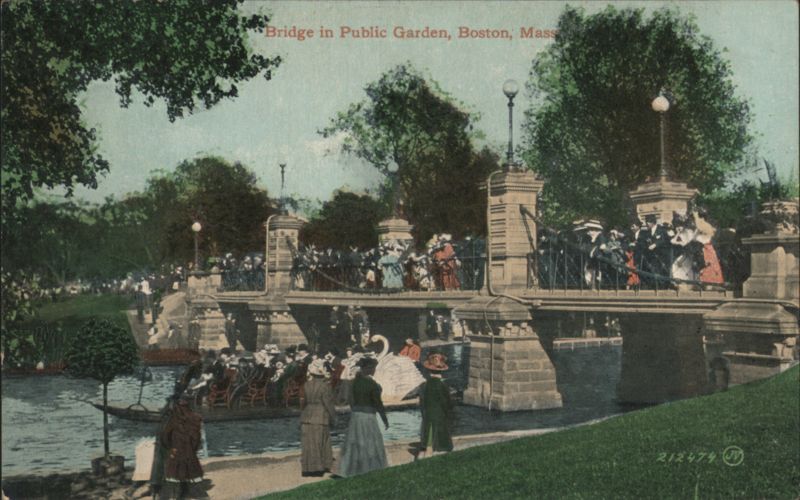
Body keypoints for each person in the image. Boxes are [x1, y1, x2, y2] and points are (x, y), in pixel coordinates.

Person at [337, 357, 389, 477]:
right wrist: (384, 419)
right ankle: (369, 469)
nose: (375, 370)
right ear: (369, 368)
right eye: (374, 368)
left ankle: (354, 469)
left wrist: (355, 409)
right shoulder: (372, 384)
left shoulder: (354, 382)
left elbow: (350, 400)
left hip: (356, 416)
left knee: (355, 444)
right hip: (368, 417)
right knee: (370, 443)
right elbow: (378, 404)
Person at [159, 395, 206, 499]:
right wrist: (192, 449)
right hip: (190, 453)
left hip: (176, 452)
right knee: (192, 474)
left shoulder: (173, 419)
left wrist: (170, 448)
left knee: (175, 475)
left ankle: (176, 495)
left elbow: (164, 436)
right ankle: (198, 494)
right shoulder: (196, 418)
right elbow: (197, 439)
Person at [300, 359, 337, 477]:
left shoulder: (306, 385)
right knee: (322, 441)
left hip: (307, 415)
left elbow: (303, 402)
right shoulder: (325, 386)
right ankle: (322, 466)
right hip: (320, 415)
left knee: (308, 443)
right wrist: (334, 417)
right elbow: (328, 404)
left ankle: (308, 468)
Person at [419, 353, 454, 458]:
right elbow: (447, 403)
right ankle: (433, 450)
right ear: (442, 372)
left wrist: (424, 412)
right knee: (438, 434)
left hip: (427, 414)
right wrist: (447, 413)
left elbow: (422, 402)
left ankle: (426, 450)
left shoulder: (424, 385)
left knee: (428, 434)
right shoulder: (443, 385)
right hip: (439, 415)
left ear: (429, 372)